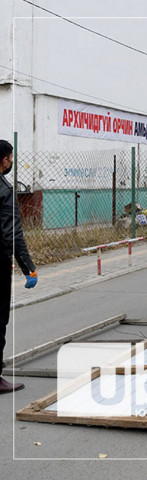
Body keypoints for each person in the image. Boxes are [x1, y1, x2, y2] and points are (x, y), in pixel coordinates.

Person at [0, 140, 37, 393]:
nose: (12, 163)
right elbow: (11, 234)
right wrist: (28, 268)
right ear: (4, 160)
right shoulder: (4, 190)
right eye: (11, 159)